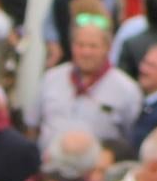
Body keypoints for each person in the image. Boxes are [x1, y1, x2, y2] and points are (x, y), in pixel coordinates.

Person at [28, 25, 136, 159]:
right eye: (80, 45)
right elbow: (32, 126)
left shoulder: (126, 89)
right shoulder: (51, 78)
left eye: (93, 46)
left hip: (95, 175)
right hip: (49, 167)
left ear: (107, 49)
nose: (86, 52)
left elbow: (130, 137)